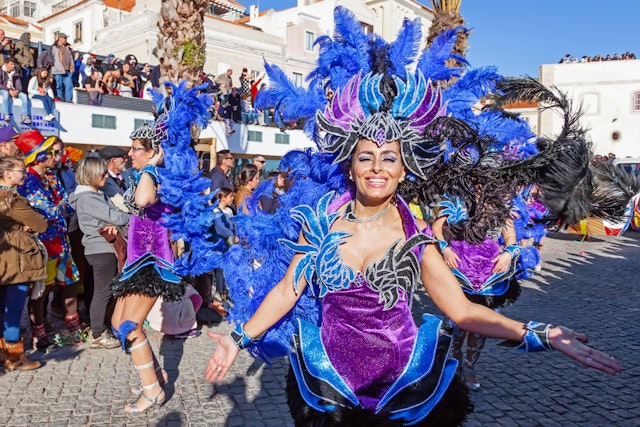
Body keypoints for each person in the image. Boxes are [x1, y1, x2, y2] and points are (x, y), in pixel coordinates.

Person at [205, 70, 620, 427]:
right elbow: (286, 291)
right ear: (350, 165)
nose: (377, 168)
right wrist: (236, 339)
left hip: (404, 384)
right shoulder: (320, 222)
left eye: (389, 158)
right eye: (366, 157)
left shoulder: (416, 233)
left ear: (405, 170)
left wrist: (539, 334)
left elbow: (462, 311)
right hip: (329, 380)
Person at [110, 124, 187, 414]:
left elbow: (143, 200)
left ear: (154, 152)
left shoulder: (157, 177)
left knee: (131, 327)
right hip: (136, 261)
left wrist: (151, 167)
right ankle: (155, 374)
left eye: (136, 149)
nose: (129, 154)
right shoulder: (148, 176)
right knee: (119, 323)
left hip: (152, 263)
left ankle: (153, 391)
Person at [16, 130, 80, 349]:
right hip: (42, 244)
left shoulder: (52, 177)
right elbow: (49, 211)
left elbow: (67, 203)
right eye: (49, 152)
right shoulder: (27, 181)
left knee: (70, 281)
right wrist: (59, 207)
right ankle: (38, 332)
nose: (55, 156)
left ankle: (74, 328)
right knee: (42, 290)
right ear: (39, 156)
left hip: (62, 241)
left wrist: (60, 207)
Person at [69, 157, 129, 349]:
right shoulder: (88, 198)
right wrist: (128, 218)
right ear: (91, 175)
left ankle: (102, 327)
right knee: (102, 293)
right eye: (102, 173)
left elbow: (113, 216)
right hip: (100, 249)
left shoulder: (96, 195)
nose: (105, 176)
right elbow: (116, 215)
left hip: (104, 247)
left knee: (107, 291)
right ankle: (97, 333)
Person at [0, 154, 47, 371]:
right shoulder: (11, 199)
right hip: (14, 261)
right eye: (21, 170)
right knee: (13, 307)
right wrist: (23, 226)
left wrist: (18, 227)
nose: (25, 173)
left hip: (4, 256)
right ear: (8, 174)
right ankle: (15, 357)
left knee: (3, 306)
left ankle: (4, 353)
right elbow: (40, 223)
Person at [0, 57, 32, 124]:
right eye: (11, 64)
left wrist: (17, 91)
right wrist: (9, 90)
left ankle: (25, 116)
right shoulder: (1, 71)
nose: (13, 66)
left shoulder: (15, 73)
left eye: (14, 64)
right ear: (6, 64)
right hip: (3, 89)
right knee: (5, 94)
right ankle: (6, 114)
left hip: (13, 90)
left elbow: (19, 85)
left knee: (23, 96)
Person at [98, 145, 129, 211]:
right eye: (124, 157)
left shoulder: (123, 176)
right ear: (113, 161)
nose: (126, 160)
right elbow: (124, 207)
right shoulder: (105, 181)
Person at [49, 33, 74, 102]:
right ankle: (59, 100)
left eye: (66, 38)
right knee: (58, 86)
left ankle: (69, 100)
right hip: (58, 70)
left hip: (68, 70)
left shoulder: (68, 48)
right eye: (64, 38)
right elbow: (50, 57)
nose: (66, 40)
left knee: (69, 86)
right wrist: (53, 64)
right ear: (60, 38)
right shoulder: (54, 47)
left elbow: (71, 57)